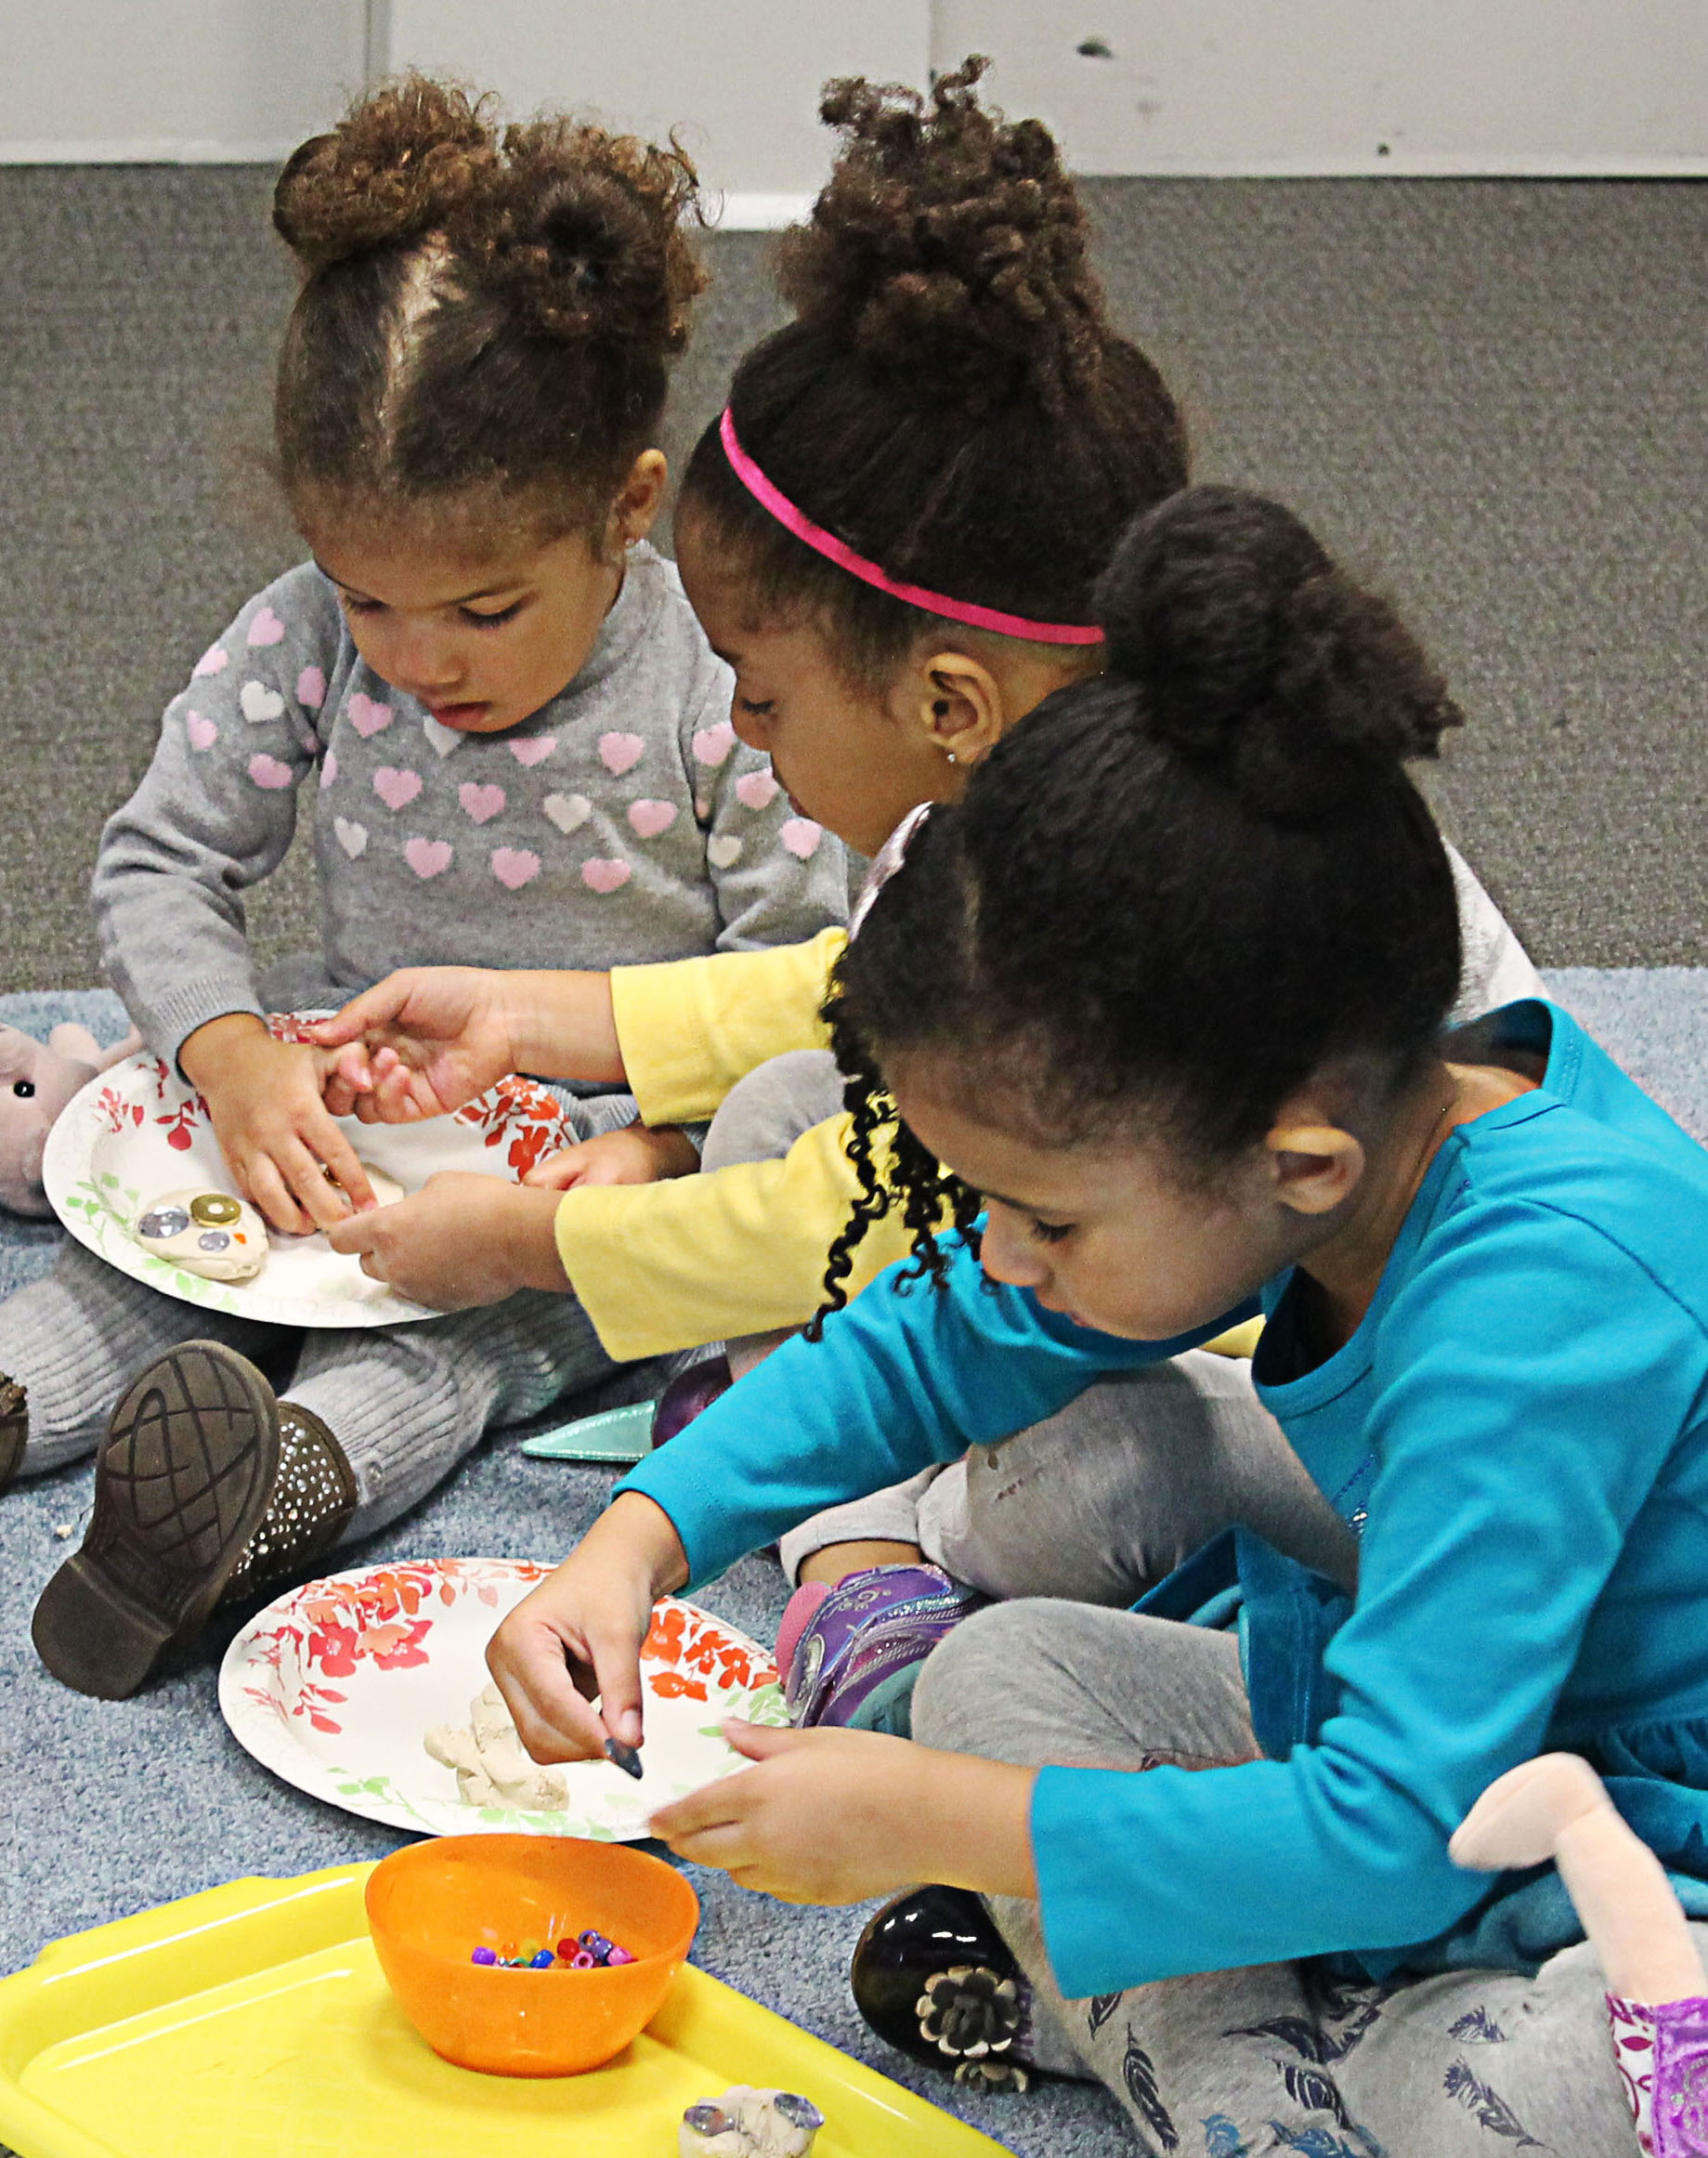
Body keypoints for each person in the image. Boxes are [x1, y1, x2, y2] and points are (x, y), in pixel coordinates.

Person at [483, 486, 1708, 2155]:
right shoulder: (1300, 1152)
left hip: (1629, 1836)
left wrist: (945, 1822)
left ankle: (1259, 2066)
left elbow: (1408, 1826)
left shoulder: (1551, 1296)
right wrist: (633, 1540)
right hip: (1438, 1742)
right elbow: (936, 1340)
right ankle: (1262, 2080)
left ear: (1299, 1162)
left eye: (1046, 1217)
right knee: (1001, 1672)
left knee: (1554, 2090)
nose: (1004, 1253)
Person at [313, 66, 1536, 1637]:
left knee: (1057, 1463)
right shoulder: (1067, 782)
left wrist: (535, 1242)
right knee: (775, 1110)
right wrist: (555, 1016)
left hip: (1277, 1384)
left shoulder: (1165, 877)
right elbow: (883, 1002)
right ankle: (843, 1509)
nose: (742, 739)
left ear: (949, 701)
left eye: (757, 692)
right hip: (1096, 1275)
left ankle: (867, 1563)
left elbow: (885, 1226)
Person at [10, 76, 846, 1700]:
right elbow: (158, 858)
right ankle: (22, 1403)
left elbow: (801, 978)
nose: (417, 658)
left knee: (454, 1344)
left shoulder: (717, 687)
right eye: (369, 597)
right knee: (141, 1252)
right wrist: (233, 1055)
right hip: (343, 1113)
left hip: (578, 1172)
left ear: (623, 506)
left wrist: (646, 1154)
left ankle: (257, 1500)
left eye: (480, 606)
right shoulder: (313, 635)